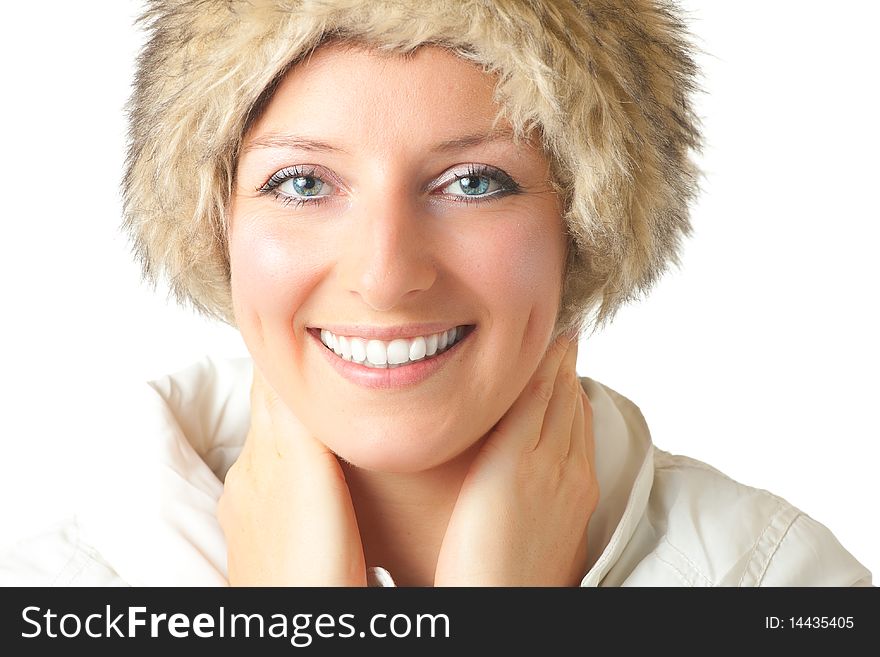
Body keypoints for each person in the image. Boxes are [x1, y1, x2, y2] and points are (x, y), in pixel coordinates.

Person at [0, 0, 871, 587]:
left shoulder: (775, 580)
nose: (384, 275)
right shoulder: (54, 589)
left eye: (475, 182)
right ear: (214, 224)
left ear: (586, 226)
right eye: (303, 183)